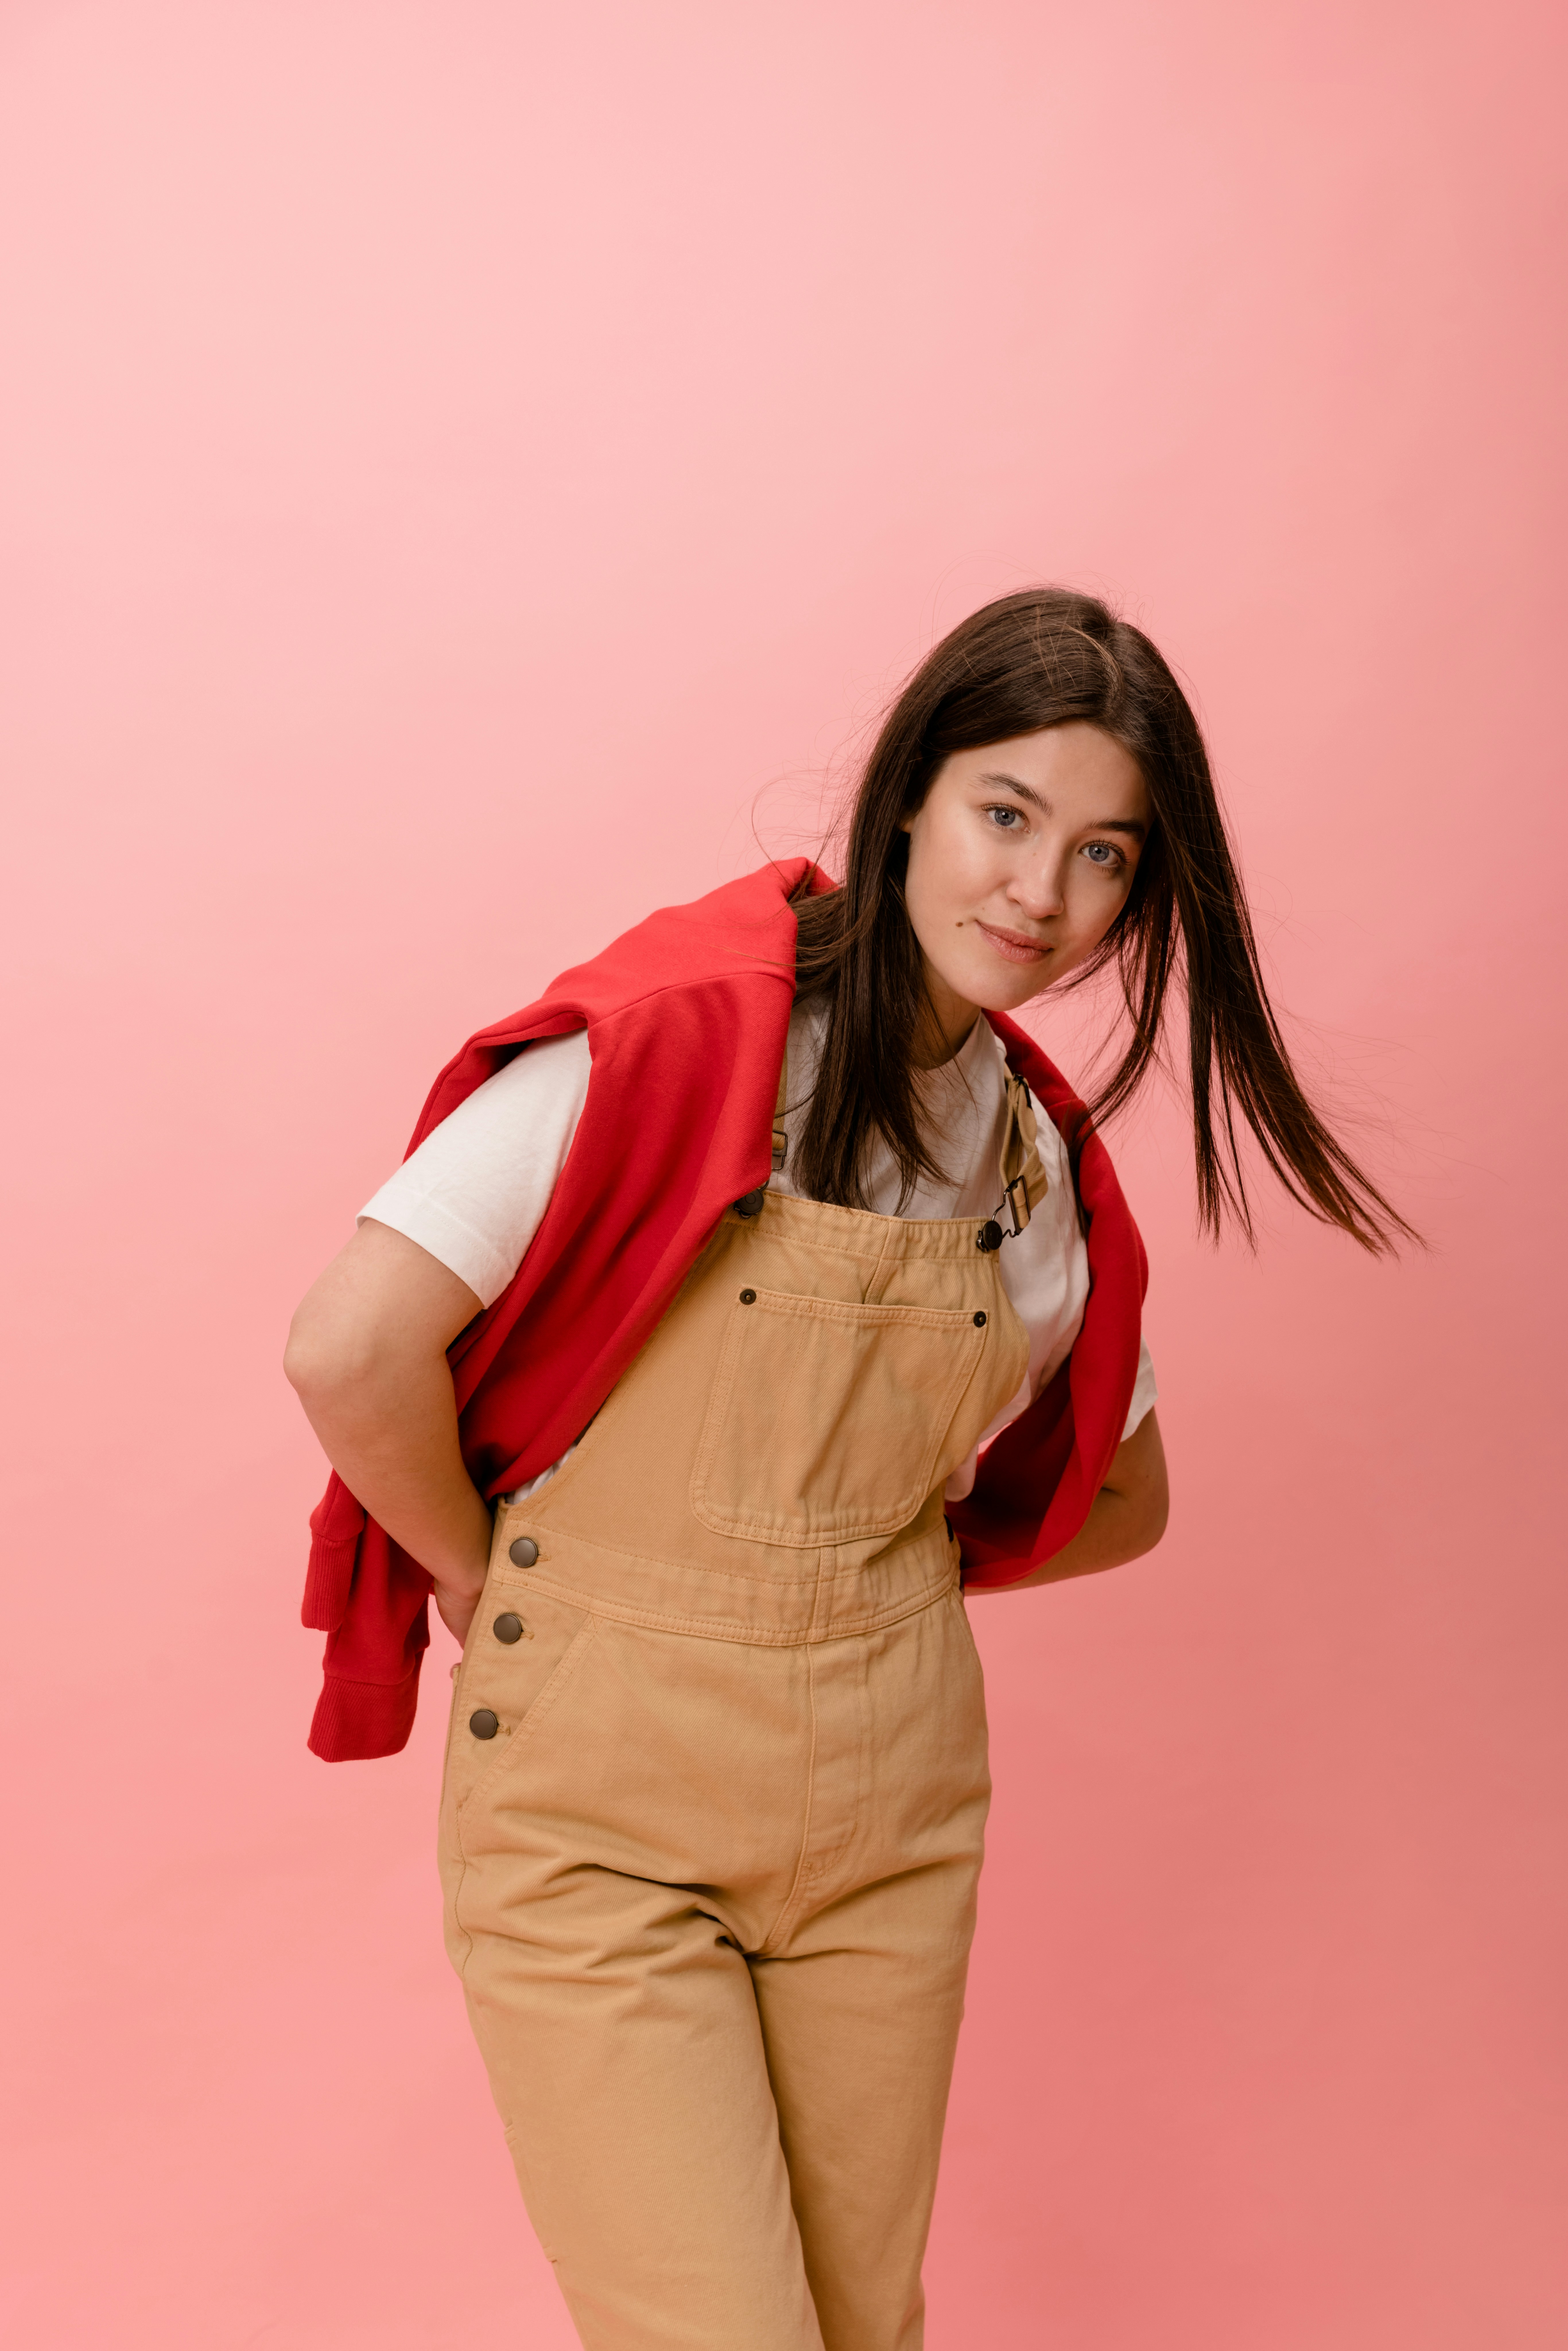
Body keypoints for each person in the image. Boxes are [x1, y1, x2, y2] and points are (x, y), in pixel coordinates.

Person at [285, 588, 1410, 2351]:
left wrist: (855, 1584)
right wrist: (471, 1572)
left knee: (859, 2326)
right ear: (908, 797)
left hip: (886, 1817)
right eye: (1005, 816)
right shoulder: (676, 1045)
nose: (1038, 894)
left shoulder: (1030, 1156)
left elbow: (1126, 1493)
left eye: (1103, 855)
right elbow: (350, 1346)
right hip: (605, 1810)